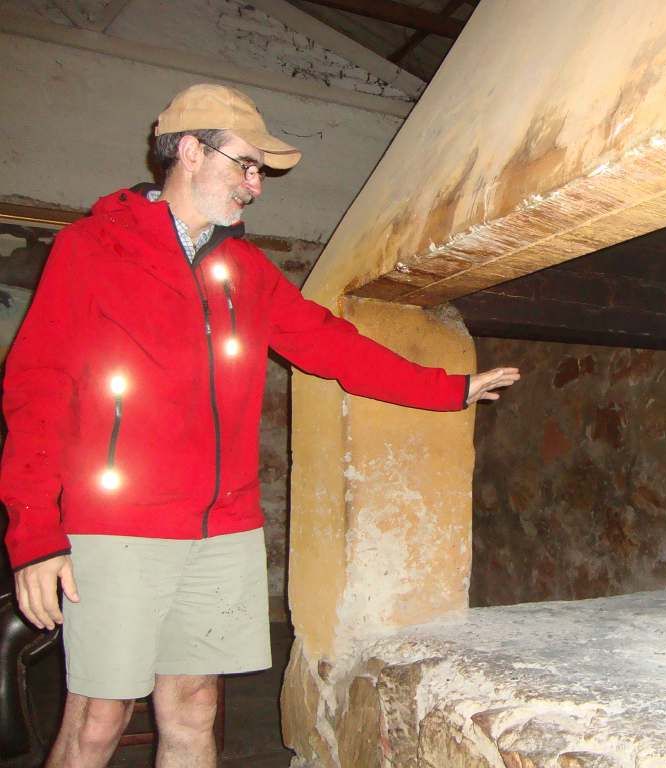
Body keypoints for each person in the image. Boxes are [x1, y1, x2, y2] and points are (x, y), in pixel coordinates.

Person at [0, 83, 519, 768]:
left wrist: (448, 389)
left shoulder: (244, 269)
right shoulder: (91, 249)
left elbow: (331, 346)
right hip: (119, 529)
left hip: (223, 530)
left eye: (259, 172)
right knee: (99, 718)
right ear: (190, 150)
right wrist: (35, 534)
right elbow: (36, 390)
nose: (256, 185)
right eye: (245, 165)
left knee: (195, 707)